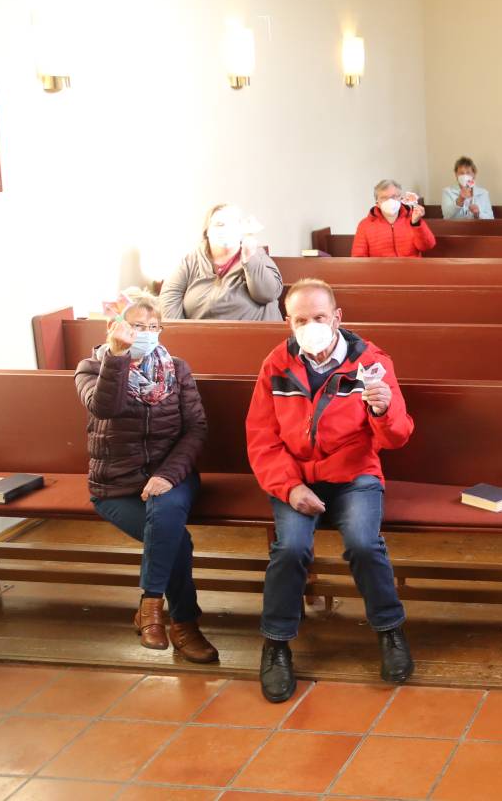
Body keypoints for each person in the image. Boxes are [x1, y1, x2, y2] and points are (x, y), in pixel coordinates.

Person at [246, 279, 415, 702]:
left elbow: (397, 437)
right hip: (296, 477)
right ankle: (276, 644)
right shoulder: (276, 365)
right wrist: (289, 488)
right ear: (288, 323)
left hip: (354, 474)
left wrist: (383, 408)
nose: (311, 326)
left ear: (337, 318)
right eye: (301, 320)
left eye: (319, 318)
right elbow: (261, 437)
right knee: (291, 549)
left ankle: (390, 632)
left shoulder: (370, 362)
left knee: (362, 542)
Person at [75, 290, 218, 664]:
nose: (147, 333)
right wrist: (117, 358)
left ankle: (151, 604)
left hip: (174, 477)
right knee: (176, 540)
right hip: (116, 486)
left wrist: (169, 475)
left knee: (165, 508)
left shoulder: (177, 369)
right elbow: (105, 406)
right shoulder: (91, 369)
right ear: (115, 328)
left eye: (154, 326)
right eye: (138, 326)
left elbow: (196, 430)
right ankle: (185, 624)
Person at [159, 204, 283, 321]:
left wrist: (250, 258)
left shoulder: (256, 254)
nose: (225, 229)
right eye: (219, 224)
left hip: (256, 338)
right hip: (202, 339)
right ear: (207, 231)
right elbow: (170, 295)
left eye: (232, 224)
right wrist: (181, 333)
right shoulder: (191, 260)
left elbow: (268, 294)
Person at [352, 179, 436, 257]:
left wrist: (416, 224)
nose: (390, 201)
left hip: (411, 269)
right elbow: (358, 257)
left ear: (401, 199)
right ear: (377, 203)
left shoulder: (412, 219)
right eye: (384, 198)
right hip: (380, 271)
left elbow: (427, 246)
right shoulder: (365, 225)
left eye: (394, 197)